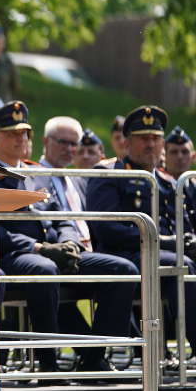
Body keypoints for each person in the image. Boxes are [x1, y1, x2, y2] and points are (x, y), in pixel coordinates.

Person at [0, 102, 137, 380]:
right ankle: (48, 362)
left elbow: (61, 217)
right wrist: (39, 248)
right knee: (43, 270)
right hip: (13, 255)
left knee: (122, 270)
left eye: (25, 134)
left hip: (55, 250)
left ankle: (93, 357)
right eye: (12, 133)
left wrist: (69, 242)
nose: (21, 139)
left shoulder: (36, 172)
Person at [87, 106, 196, 358]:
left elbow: (183, 225)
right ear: (127, 142)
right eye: (144, 138)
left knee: (185, 260)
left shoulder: (168, 181)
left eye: (156, 138)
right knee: (184, 264)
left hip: (163, 254)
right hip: (125, 255)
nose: (151, 144)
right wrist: (167, 242)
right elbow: (107, 229)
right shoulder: (108, 174)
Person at [35, 115, 138, 374]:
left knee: (124, 271)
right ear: (45, 142)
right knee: (120, 270)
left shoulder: (79, 180)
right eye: (63, 143)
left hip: (88, 254)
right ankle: (94, 357)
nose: (70, 149)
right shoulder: (33, 177)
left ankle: (97, 354)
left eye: (74, 144)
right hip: (54, 255)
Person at [163, 126, 196, 230]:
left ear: (193, 157)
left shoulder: (194, 186)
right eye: (174, 152)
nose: (180, 156)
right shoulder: (157, 187)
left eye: (185, 152)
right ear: (164, 156)